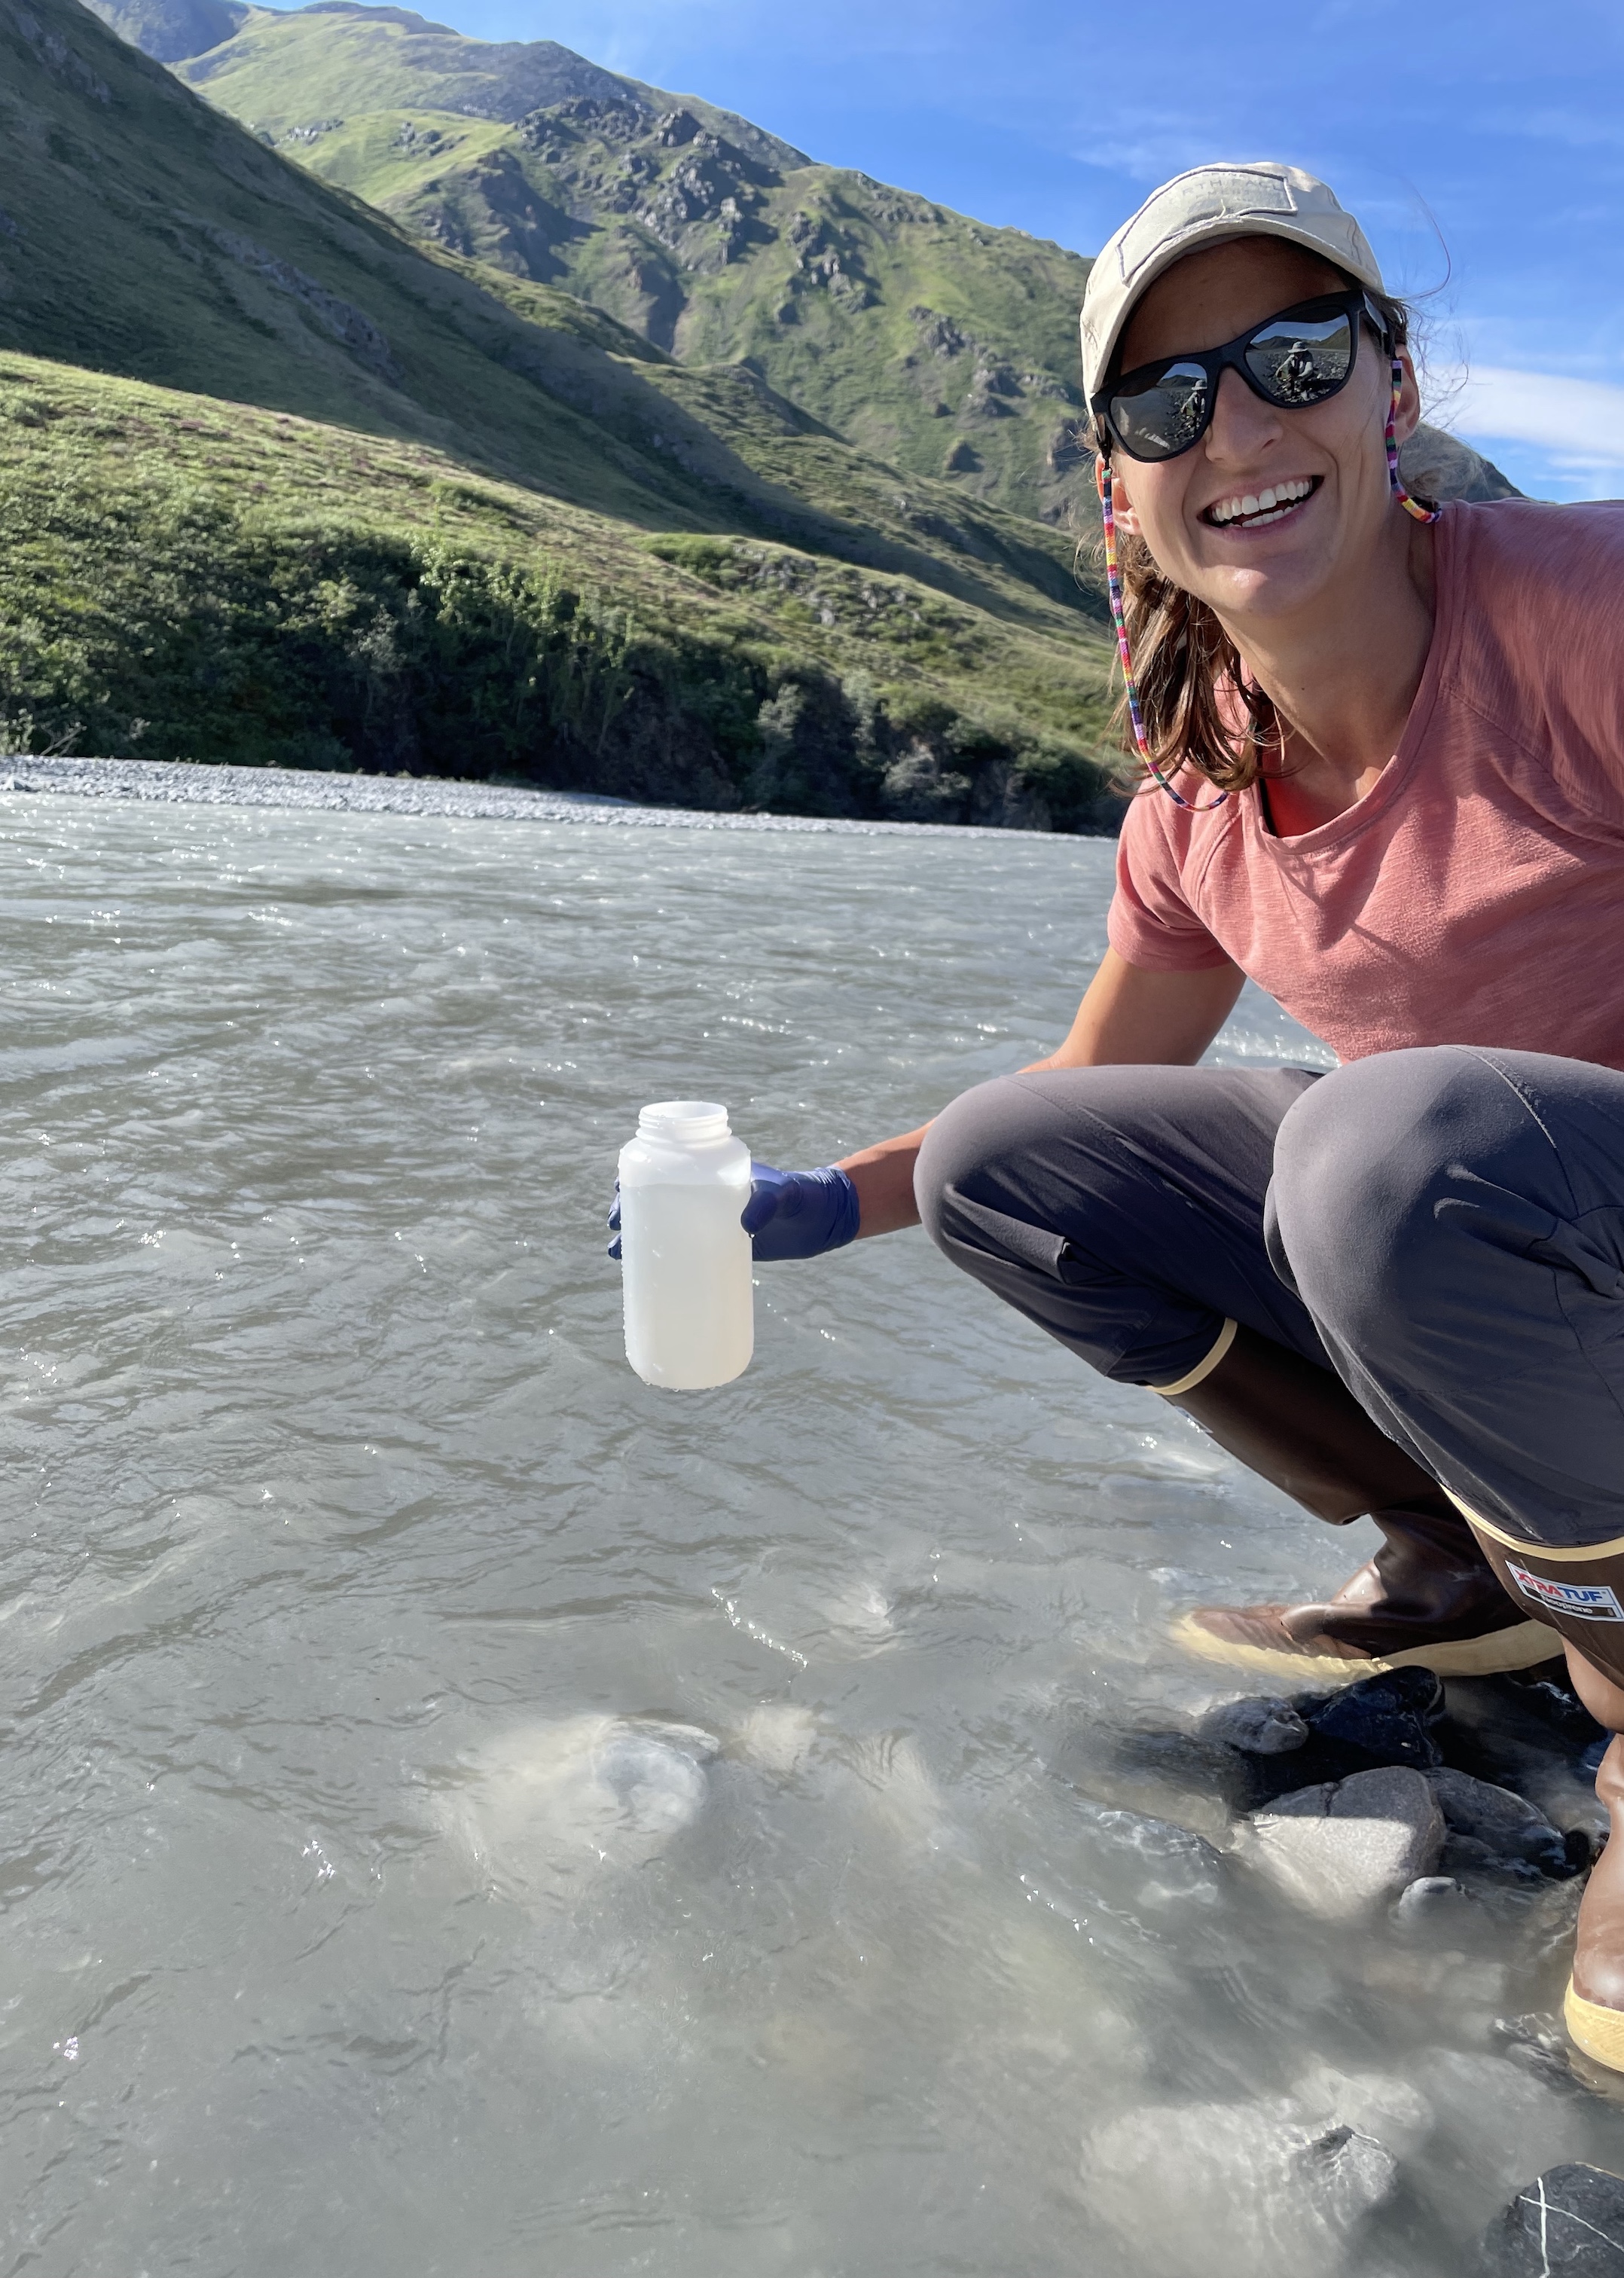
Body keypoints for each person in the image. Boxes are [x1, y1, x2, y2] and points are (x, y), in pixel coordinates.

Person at [615, 161, 1624, 2073]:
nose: (1236, 427)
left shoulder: (1586, 611)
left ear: (1391, 389)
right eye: (1168, 402)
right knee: (1019, 1166)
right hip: (1542, 1294)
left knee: (1374, 1152)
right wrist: (826, 1202)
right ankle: (1464, 1569)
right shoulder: (1197, 803)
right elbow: (1083, 1103)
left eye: (1292, 358)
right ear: (1121, 487)